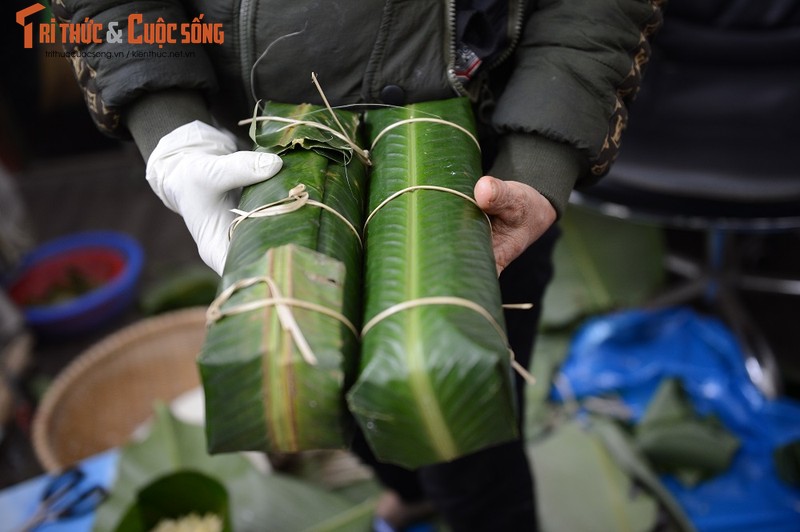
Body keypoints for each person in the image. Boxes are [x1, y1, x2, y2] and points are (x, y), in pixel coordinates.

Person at [54, 1, 665, 529]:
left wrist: (539, 158)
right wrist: (169, 126)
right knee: (325, 384)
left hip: (482, 165)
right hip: (267, 151)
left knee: (459, 404)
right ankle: (409, 489)